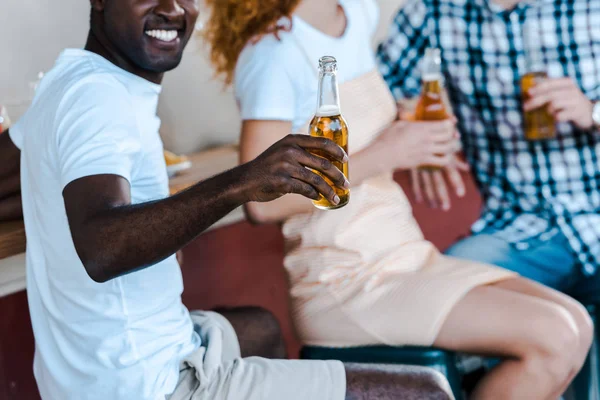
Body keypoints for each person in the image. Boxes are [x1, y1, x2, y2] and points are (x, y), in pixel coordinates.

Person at [0, 0, 458, 399]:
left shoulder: (72, 78)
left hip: (112, 364)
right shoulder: (98, 96)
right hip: (147, 382)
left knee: (258, 328)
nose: (172, 8)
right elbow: (102, 248)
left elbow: (18, 170)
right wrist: (243, 182)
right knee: (427, 393)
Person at [203, 0, 595, 398]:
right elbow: (260, 202)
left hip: (401, 252)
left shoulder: (357, 16)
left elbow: (368, 124)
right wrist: (389, 154)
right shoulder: (273, 53)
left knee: (575, 323)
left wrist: (413, 126)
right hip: (342, 277)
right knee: (554, 336)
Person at [377, 0, 600, 309]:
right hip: (513, 227)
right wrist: (415, 127)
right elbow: (377, 93)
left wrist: (592, 111)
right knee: (440, 295)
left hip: (594, 217)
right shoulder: (433, 10)